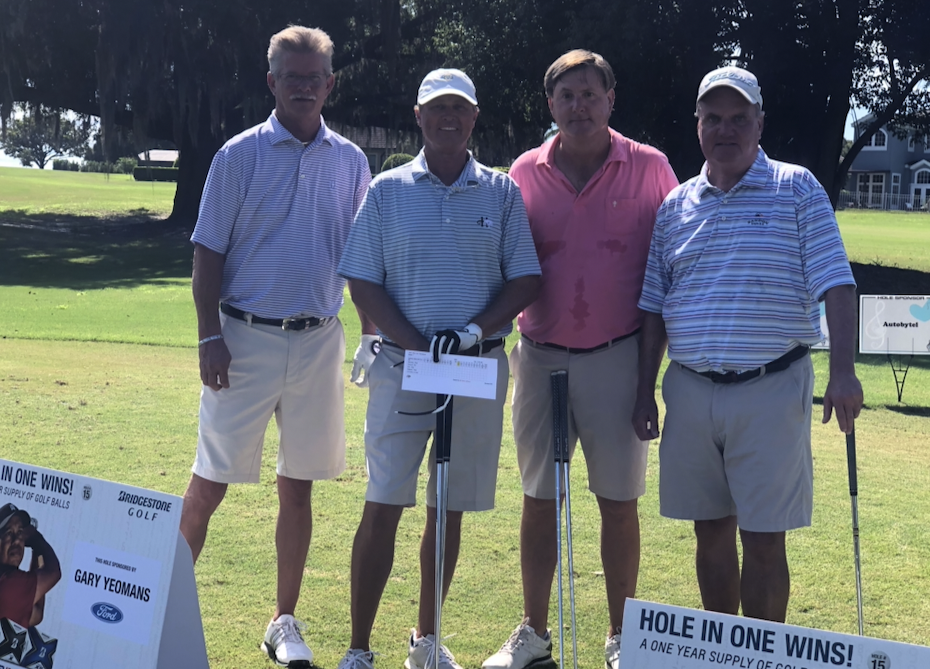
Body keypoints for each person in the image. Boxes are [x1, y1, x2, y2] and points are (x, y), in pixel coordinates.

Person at [632, 66, 864, 623]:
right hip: (691, 389)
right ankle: (723, 654)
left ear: (760, 123)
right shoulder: (675, 206)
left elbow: (837, 283)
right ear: (698, 125)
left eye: (739, 118)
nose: (726, 130)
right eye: (713, 118)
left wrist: (844, 371)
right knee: (710, 531)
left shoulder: (796, 188)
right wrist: (644, 391)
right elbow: (654, 307)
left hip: (770, 386)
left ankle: (761, 656)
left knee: (763, 539)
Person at [177, 25, 372, 669]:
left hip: (318, 340)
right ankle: (162, 603)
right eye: (292, 77)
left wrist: (372, 331)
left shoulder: (352, 161)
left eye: (314, 78)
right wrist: (209, 336)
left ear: (330, 84)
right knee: (209, 484)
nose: (303, 87)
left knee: (299, 487)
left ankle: (282, 620)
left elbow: (360, 256)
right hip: (242, 338)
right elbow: (207, 254)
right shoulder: (237, 155)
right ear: (272, 82)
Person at [335, 68, 541, 669]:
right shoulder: (387, 190)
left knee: (447, 508)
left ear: (474, 117)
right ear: (419, 116)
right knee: (383, 502)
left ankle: (426, 639)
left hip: (474, 368)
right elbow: (363, 282)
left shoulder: (502, 192)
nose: (448, 117)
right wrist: (416, 344)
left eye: (459, 108)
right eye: (437, 108)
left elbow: (525, 278)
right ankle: (358, 647)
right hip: (404, 367)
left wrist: (472, 330)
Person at [483, 50, 678, 669]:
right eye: (566, 96)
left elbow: (670, 268)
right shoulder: (524, 171)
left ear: (611, 99)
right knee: (539, 499)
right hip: (540, 357)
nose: (579, 106)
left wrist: (649, 380)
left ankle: (623, 636)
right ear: (551, 105)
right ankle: (534, 633)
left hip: (618, 357)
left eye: (590, 94)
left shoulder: (651, 167)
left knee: (618, 503)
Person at [0, 504, 61, 628]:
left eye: (20, 533)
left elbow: (36, 611)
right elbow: (53, 572)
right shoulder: (10, 583)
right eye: (9, 533)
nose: (17, 540)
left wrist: (37, 550)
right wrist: (37, 539)